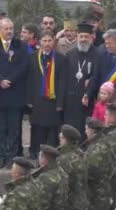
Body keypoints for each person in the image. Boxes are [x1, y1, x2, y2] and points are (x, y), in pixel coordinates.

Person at [0, 18, 29, 169]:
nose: (10, 31)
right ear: (0, 30)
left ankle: (11, 157)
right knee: (0, 129)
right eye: (6, 28)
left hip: (15, 93)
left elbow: (24, 66)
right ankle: (1, 156)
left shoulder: (21, 46)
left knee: (13, 129)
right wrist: (0, 81)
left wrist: (9, 80)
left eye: (11, 28)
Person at [27, 30, 66, 159]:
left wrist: (60, 102)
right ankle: (36, 154)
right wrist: (29, 99)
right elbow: (29, 79)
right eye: (44, 40)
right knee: (38, 128)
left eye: (50, 40)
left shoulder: (60, 58)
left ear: (54, 42)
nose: (47, 43)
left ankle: (52, 155)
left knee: (53, 129)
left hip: (53, 100)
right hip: (37, 99)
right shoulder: (32, 57)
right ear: (40, 42)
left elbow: (62, 81)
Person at [84, 29, 116, 109]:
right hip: (102, 101)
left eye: (109, 43)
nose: (106, 46)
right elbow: (95, 77)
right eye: (105, 43)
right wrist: (88, 94)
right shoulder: (101, 55)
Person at [62, 23, 97, 135]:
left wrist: (90, 87)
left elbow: (97, 76)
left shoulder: (97, 54)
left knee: (85, 130)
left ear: (91, 37)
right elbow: (64, 79)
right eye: (81, 36)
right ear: (77, 37)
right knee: (70, 130)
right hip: (71, 101)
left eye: (86, 37)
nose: (83, 39)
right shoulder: (70, 54)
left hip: (87, 100)